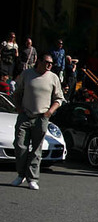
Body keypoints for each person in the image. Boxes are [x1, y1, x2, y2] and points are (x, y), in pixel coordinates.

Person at [10, 53, 65, 190]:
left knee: (36, 149)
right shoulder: (27, 74)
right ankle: (20, 175)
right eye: (47, 62)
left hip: (41, 117)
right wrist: (19, 108)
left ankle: (32, 178)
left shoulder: (53, 77)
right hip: (25, 115)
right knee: (19, 145)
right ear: (39, 61)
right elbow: (17, 92)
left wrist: (49, 113)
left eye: (51, 63)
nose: (49, 65)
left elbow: (59, 99)